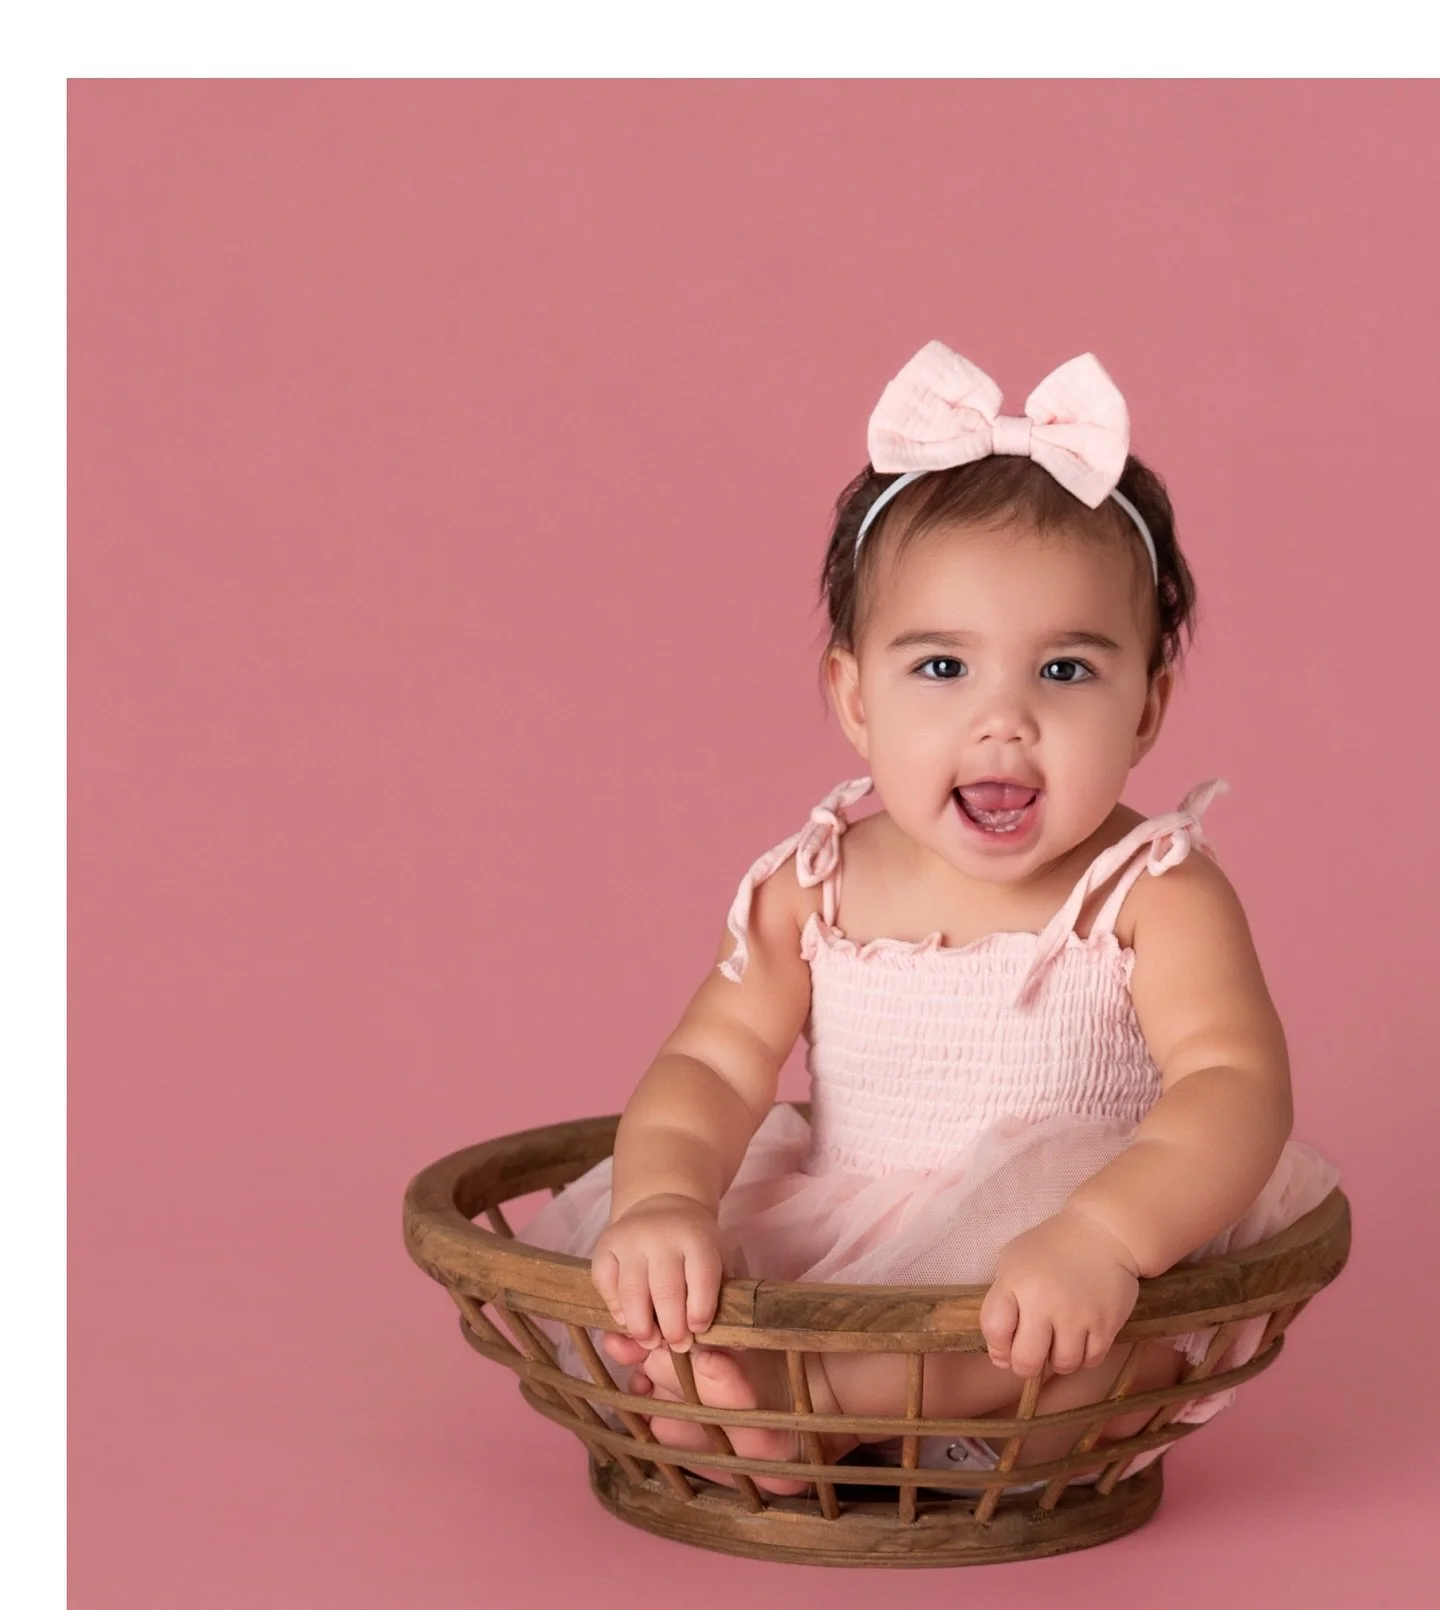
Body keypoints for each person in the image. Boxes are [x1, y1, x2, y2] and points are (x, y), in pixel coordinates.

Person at [519, 342, 1341, 1495]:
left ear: (1149, 706)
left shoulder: (1155, 892)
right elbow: (713, 1061)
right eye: (943, 667)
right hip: (852, 1242)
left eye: (1064, 673)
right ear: (856, 699)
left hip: (1059, 1248)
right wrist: (664, 1196)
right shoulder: (816, 883)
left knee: (1111, 1345)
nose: (1001, 722)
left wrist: (1103, 1236)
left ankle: (817, 1424)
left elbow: (1233, 1088)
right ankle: (817, 1424)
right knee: (704, 1288)